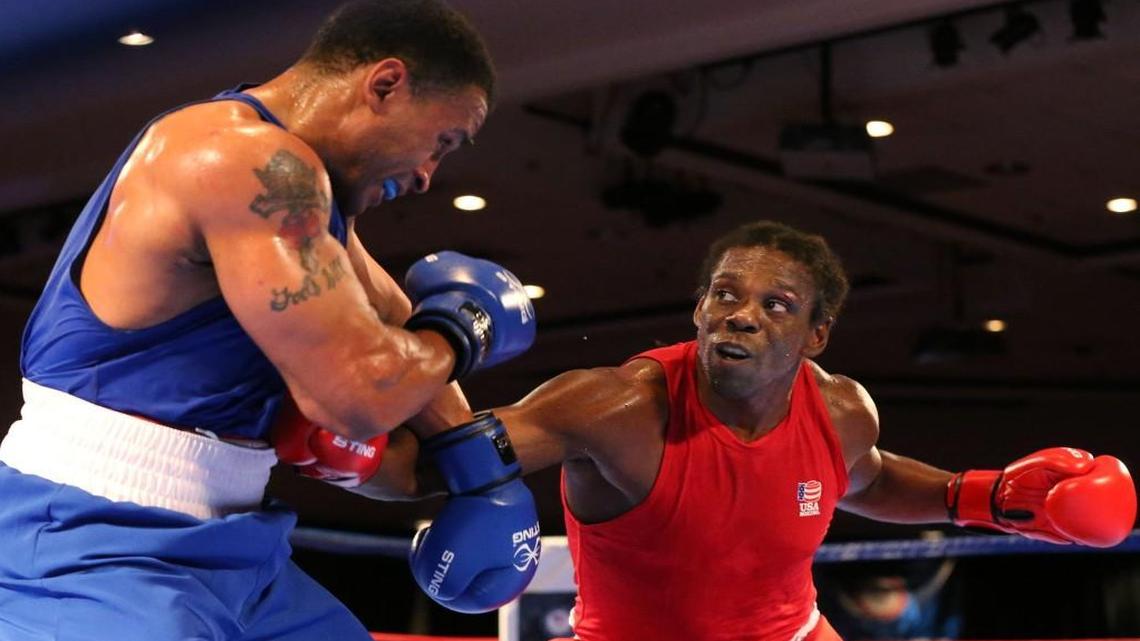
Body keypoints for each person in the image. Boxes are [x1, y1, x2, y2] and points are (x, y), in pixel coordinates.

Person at [0, 1, 539, 640]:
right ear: (385, 85)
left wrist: (482, 475)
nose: (428, 174)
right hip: (85, 541)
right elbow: (358, 394)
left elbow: (392, 314)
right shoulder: (239, 161)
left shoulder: (312, 188)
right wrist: (463, 326)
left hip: (236, 547)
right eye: (441, 141)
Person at [361, 220, 1136, 640]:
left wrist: (986, 497)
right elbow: (431, 466)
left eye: (777, 304)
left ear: (816, 335)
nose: (742, 312)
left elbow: (870, 475)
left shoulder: (841, 411)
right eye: (726, 294)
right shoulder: (613, 409)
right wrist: (346, 434)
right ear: (699, 308)